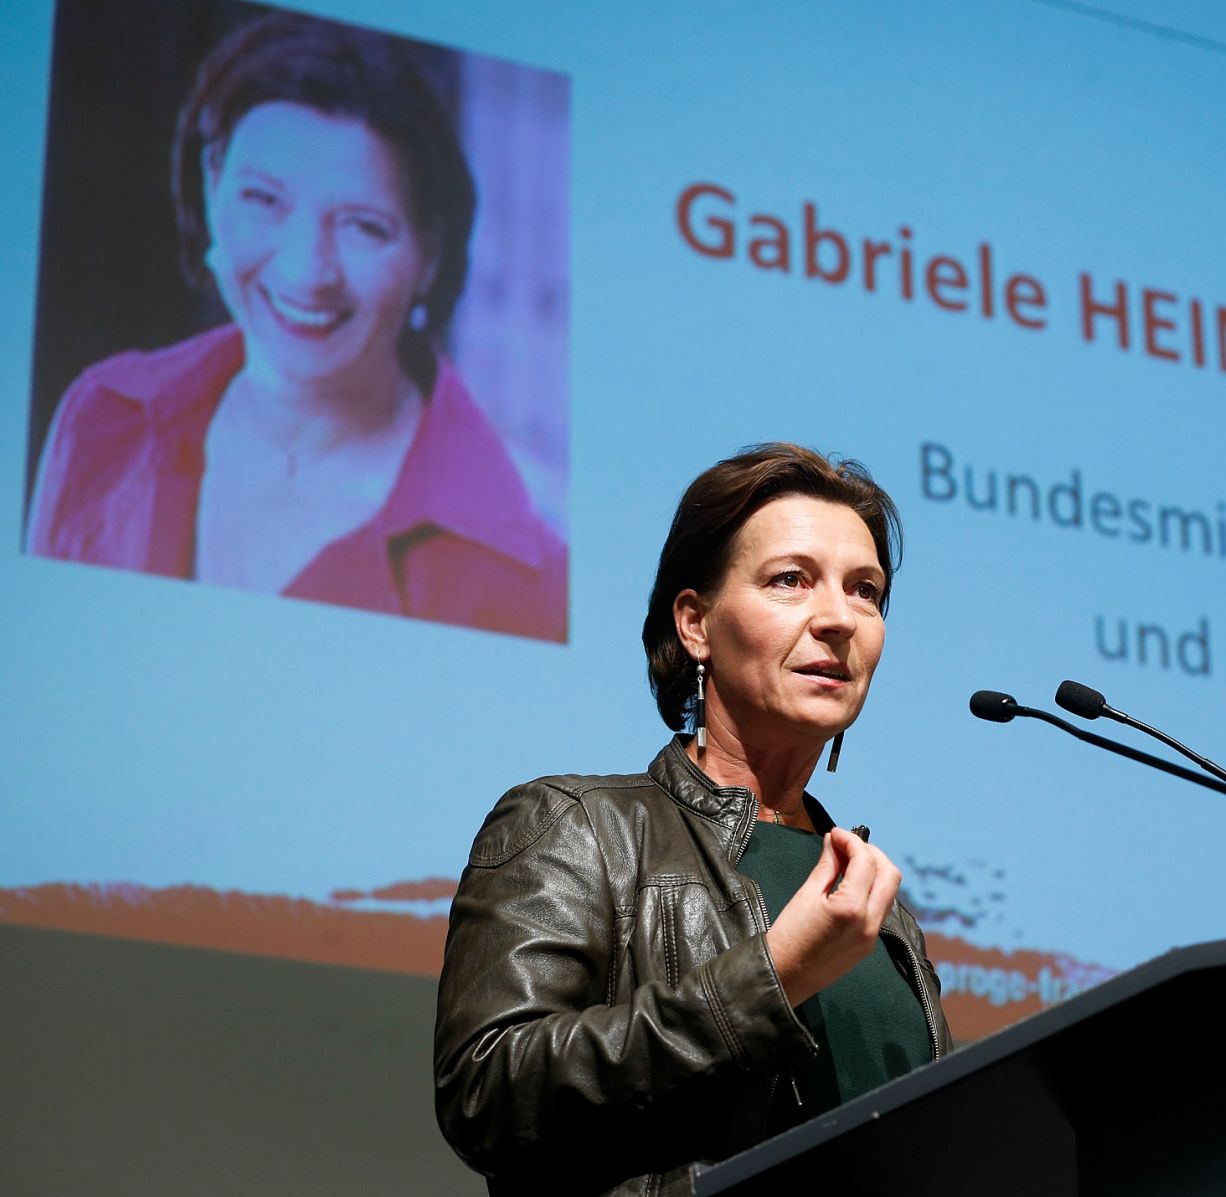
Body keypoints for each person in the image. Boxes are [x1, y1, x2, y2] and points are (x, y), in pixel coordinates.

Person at [434, 444, 949, 1195]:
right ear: (695, 623)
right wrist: (770, 979)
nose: (840, 618)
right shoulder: (580, 827)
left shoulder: (884, 914)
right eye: (790, 580)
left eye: (865, 590)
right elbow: (489, 1090)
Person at [25, 13, 565, 642]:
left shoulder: (529, 575)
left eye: (364, 226)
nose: (307, 271)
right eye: (264, 199)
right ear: (212, 185)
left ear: (431, 256)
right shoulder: (102, 415)